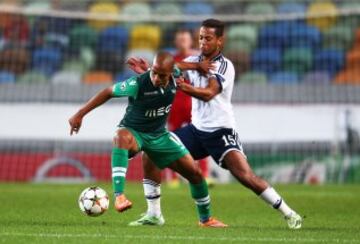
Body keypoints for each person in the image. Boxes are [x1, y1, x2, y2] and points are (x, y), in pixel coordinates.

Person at [127, 19, 303, 229]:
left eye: (208, 38)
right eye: (201, 37)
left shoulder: (225, 66)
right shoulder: (194, 60)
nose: (203, 42)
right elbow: (171, 67)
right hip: (196, 131)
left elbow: (210, 93)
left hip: (221, 131)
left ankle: (289, 213)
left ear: (220, 41)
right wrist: (151, 71)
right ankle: (154, 214)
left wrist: (185, 87)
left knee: (245, 176)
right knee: (151, 152)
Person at [68, 51, 226, 228]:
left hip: (159, 135)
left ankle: (204, 220)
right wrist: (80, 114)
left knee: (195, 174)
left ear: (169, 73)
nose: (157, 77)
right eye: (154, 72)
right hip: (135, 133)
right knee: (120, 136)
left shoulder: (175, 76)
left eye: (162, 75)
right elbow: (107, 92)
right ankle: (119, 196)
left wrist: (197, 66)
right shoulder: (137, 83)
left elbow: (179, 66)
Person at [166, 29, 210, 187]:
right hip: (175, 105)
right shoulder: (170, 60)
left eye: (185, 39)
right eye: (180, 39)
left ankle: (204, 174)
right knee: (171, 140)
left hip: (195, 105)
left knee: (202, 138)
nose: (183, 42)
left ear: (191, 41)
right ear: (175, 43)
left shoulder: (200, 59)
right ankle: (173, 178)